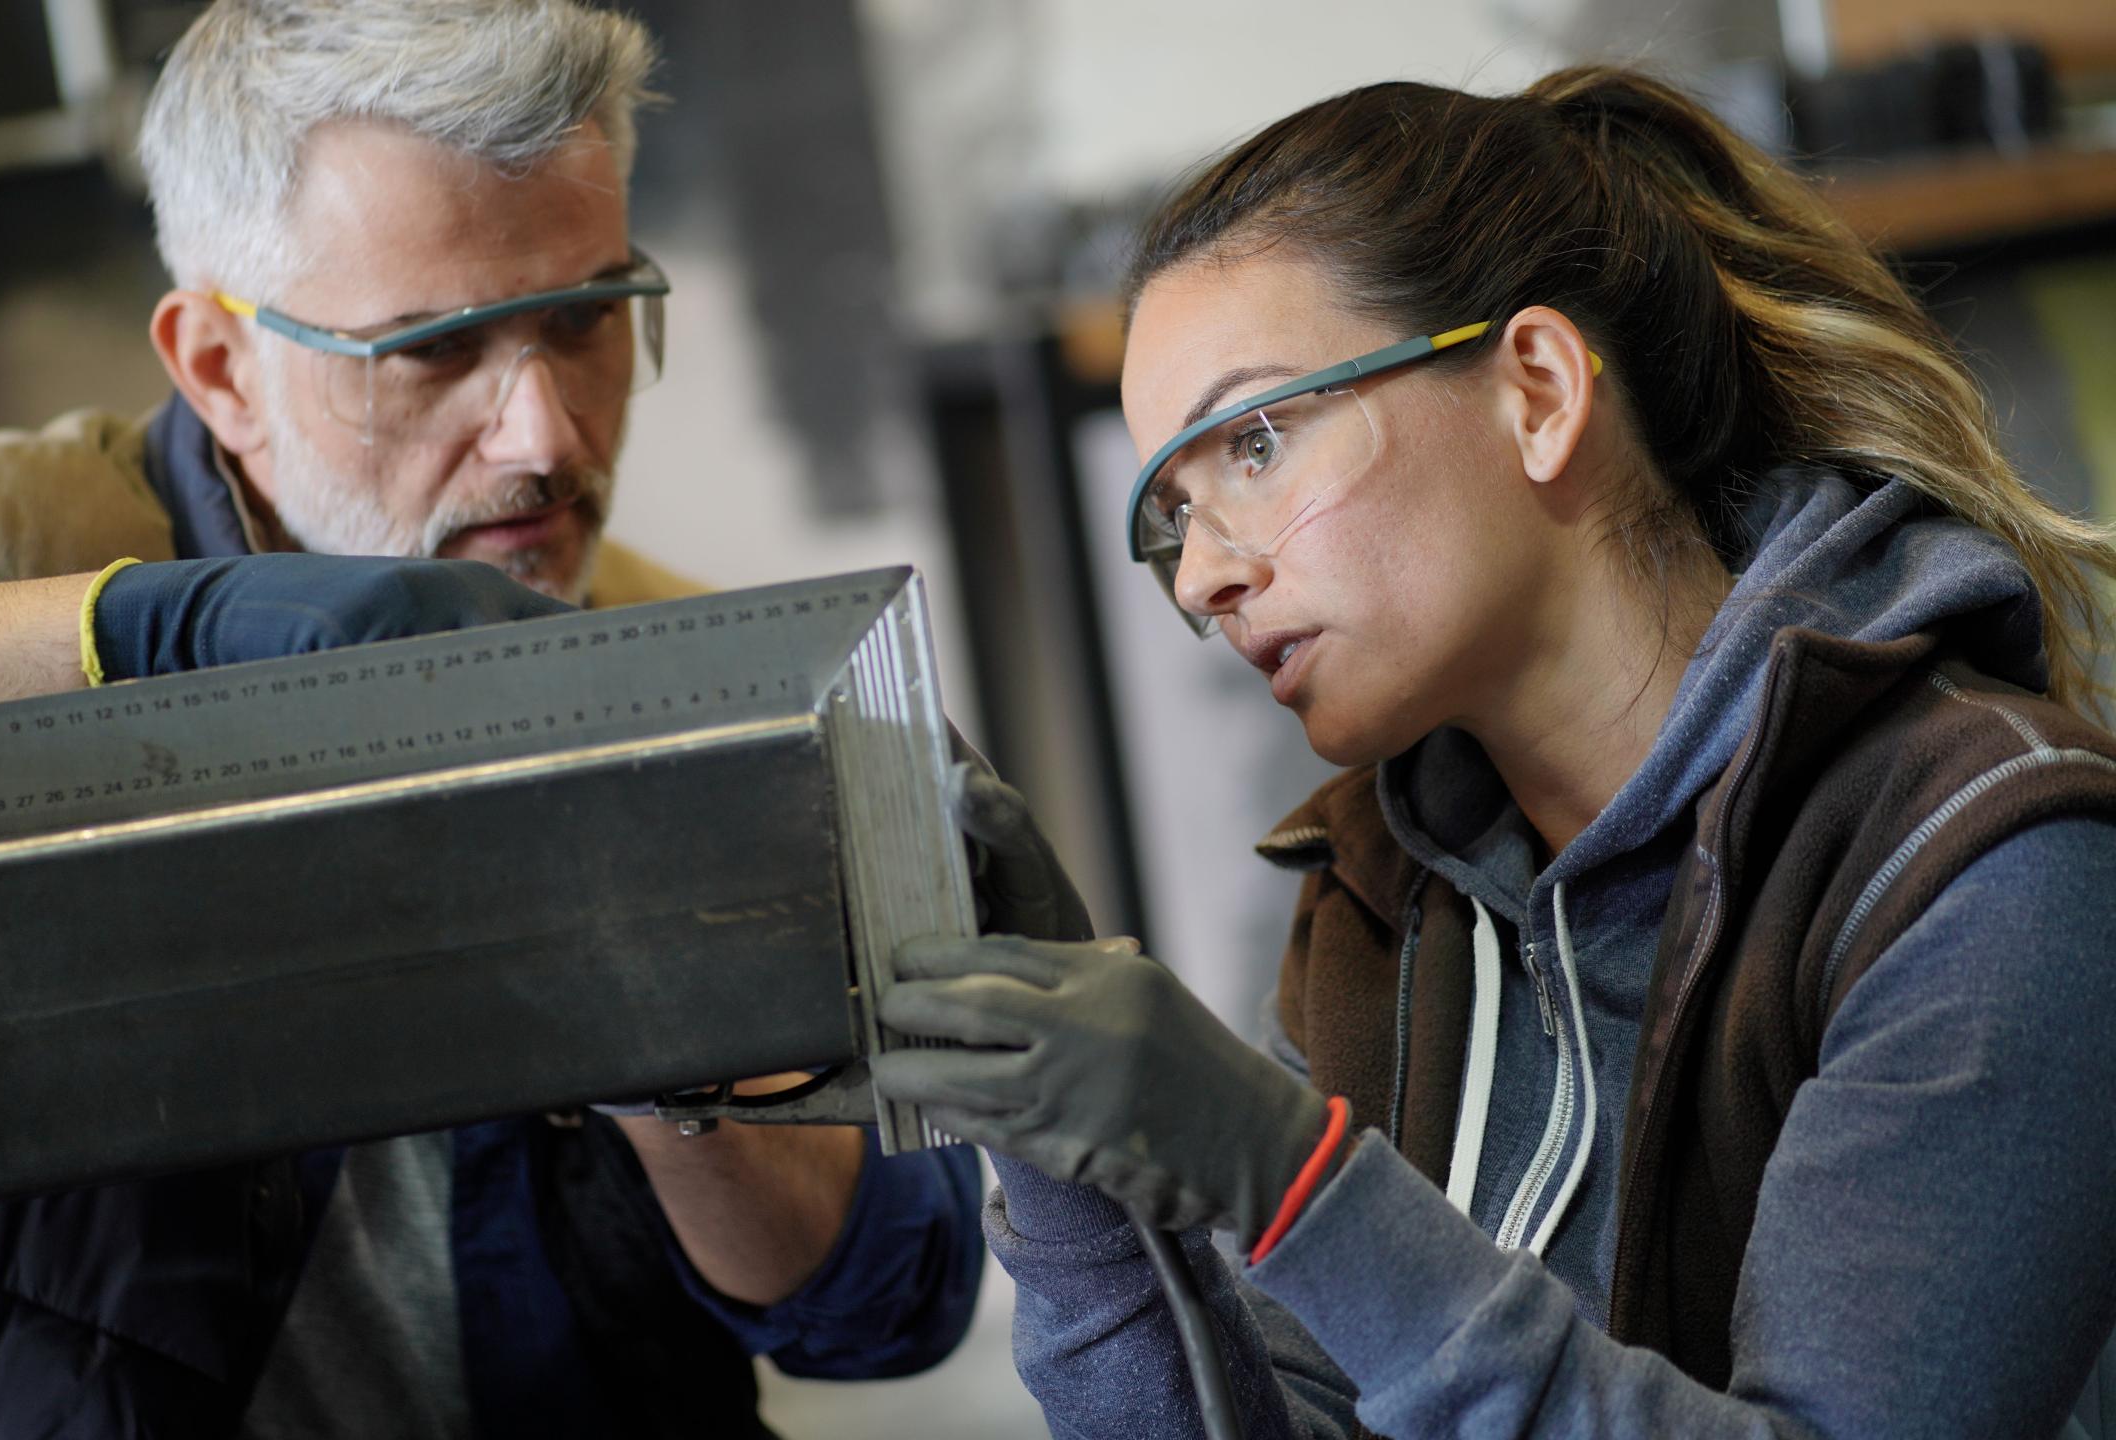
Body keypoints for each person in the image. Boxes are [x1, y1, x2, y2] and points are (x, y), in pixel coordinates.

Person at [0, 2, 980, 1434]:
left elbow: (887, 1302)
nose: (545, 437)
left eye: (588, 319)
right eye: (435, 350)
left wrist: (657, 985)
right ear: (222, 371)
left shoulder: (715, 677)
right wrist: (147, 640)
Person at [872, 65, 2116, 1439]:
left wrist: (1289, 1179)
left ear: (1535, 389)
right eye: (1173, 512)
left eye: (1259, 440)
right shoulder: (1380, 904)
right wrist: (1070, 1162)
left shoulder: (1993, 873)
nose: (1199, 581)